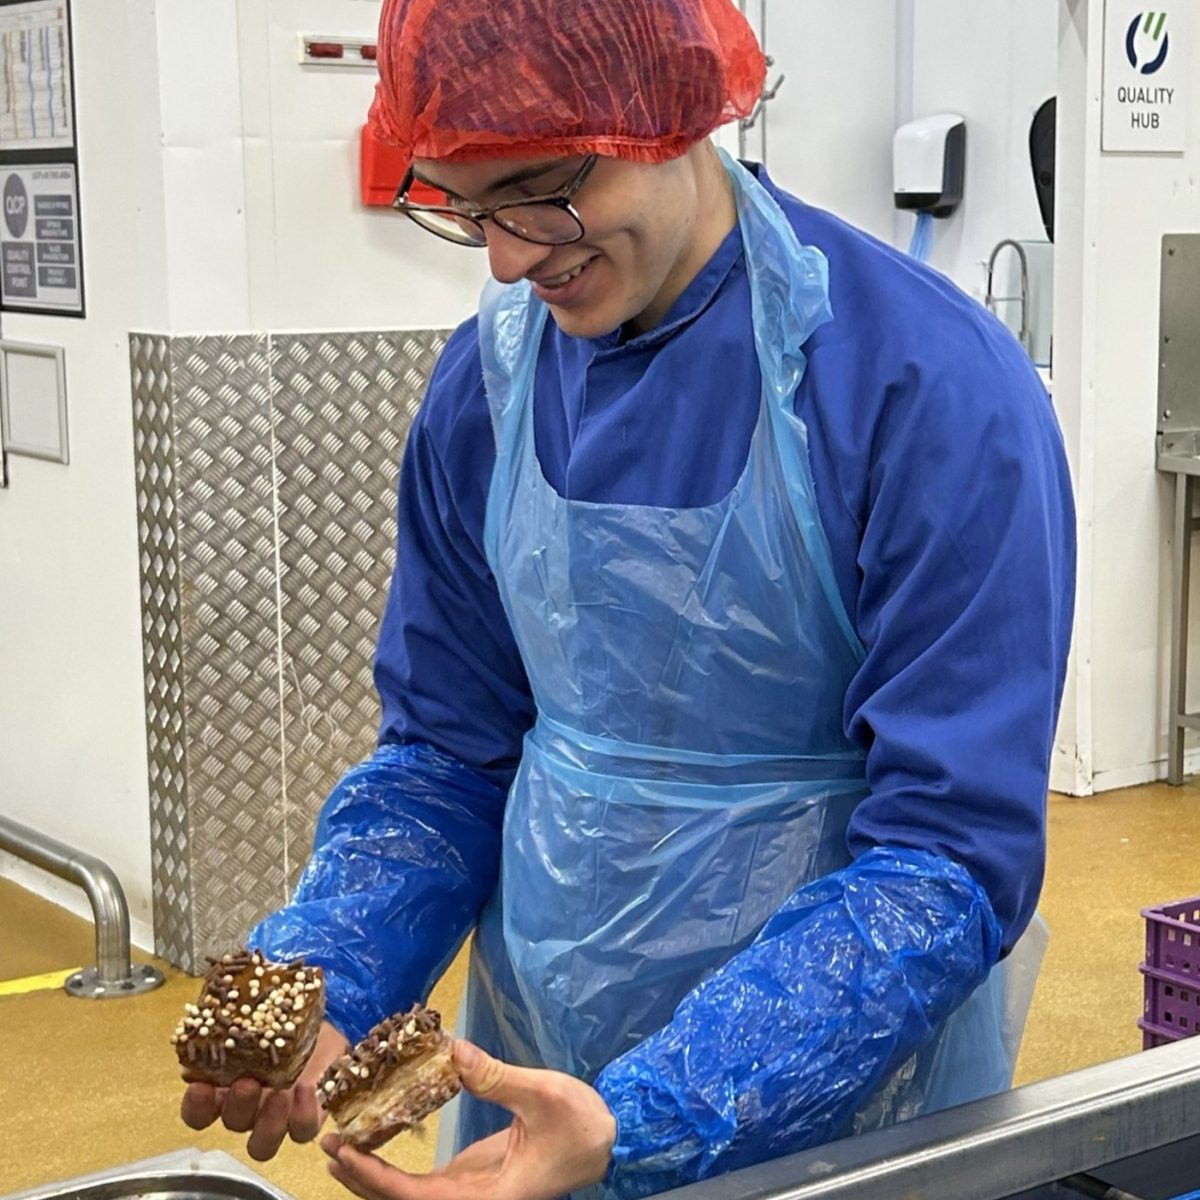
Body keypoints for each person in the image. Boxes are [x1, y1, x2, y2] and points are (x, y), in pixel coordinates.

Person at [180, 2, 1076, 1198]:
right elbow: (447, 755)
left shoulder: (926, 388)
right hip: (535, 1066)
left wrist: (646, 1116)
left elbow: (946, 856)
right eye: (460, 202)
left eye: (539, 191)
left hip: (842, 1096)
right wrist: (330, 980)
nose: (505, 258)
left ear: (673, 112)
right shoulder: (489, 387)